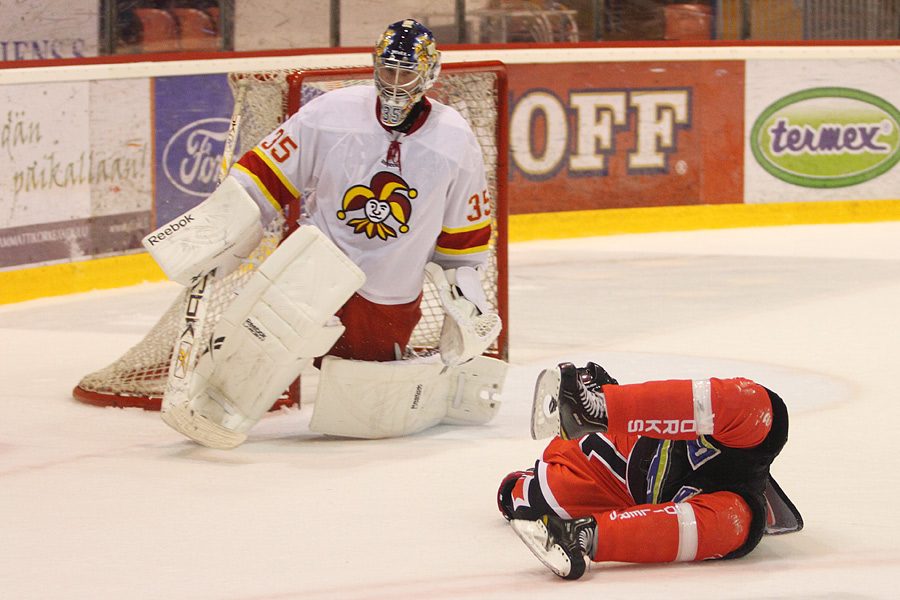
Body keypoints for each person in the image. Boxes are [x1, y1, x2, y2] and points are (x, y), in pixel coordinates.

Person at [141, 19, 505, 449]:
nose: (394, 83)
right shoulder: (332, 113)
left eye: (405, 73)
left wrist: (465, 303)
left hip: (389, 288)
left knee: (358, 411)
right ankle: (211, 410)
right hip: (316, 263)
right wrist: (220, 227)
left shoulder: (455, 140)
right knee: (256, 348)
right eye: (388, 71)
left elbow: (463, 242)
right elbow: (263, 175)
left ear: (428, 75)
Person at [497, 361, 802, 580]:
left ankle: (587, 536)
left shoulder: (555, 487)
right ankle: (597, 407)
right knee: (757, 410)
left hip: (591, 479)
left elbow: (509, 494)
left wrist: (589, 535)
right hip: (596, 429)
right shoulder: (553, 484)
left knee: (736, 523)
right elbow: (509, 494)